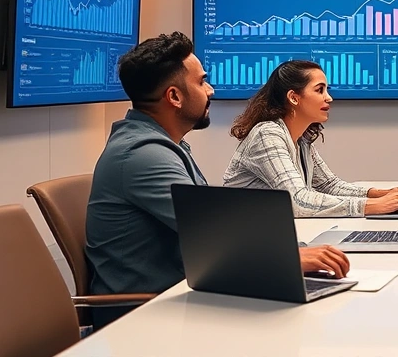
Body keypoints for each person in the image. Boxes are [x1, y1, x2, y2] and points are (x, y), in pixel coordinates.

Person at [86, 32, 349, 329]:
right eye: (201, 82)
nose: (210, 90)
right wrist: (290, 257)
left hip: (185, 294)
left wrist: (294, 248)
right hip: (146, 316)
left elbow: (215, 224)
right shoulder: (142, 155)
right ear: (174, 96)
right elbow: (212, 235)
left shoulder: (166, 146)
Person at [224, 59, 398, 216]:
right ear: (293, 97)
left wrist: (378, 194)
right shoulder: (267, 134)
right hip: (240, 242)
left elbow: (328, 185)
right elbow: (298, 200)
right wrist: (371, 206)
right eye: (320, 90)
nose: (329, 98)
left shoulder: (302, 139)